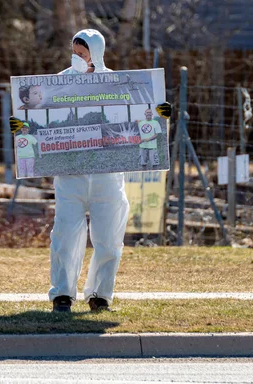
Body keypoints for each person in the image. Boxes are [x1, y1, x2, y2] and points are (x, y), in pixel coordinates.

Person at [48, 29, 171, 313]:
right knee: (65, 235)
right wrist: (24, 128)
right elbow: (42, 112)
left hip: (108, 175)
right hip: (71, 174)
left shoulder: (119, 84)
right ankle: (62, 295)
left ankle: (100, 296)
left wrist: (158, 112)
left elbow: (139, 115)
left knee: (109, 239)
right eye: (74, 53)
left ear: (97, 53)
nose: (76, 58)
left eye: (82, 53)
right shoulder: (60, 81)